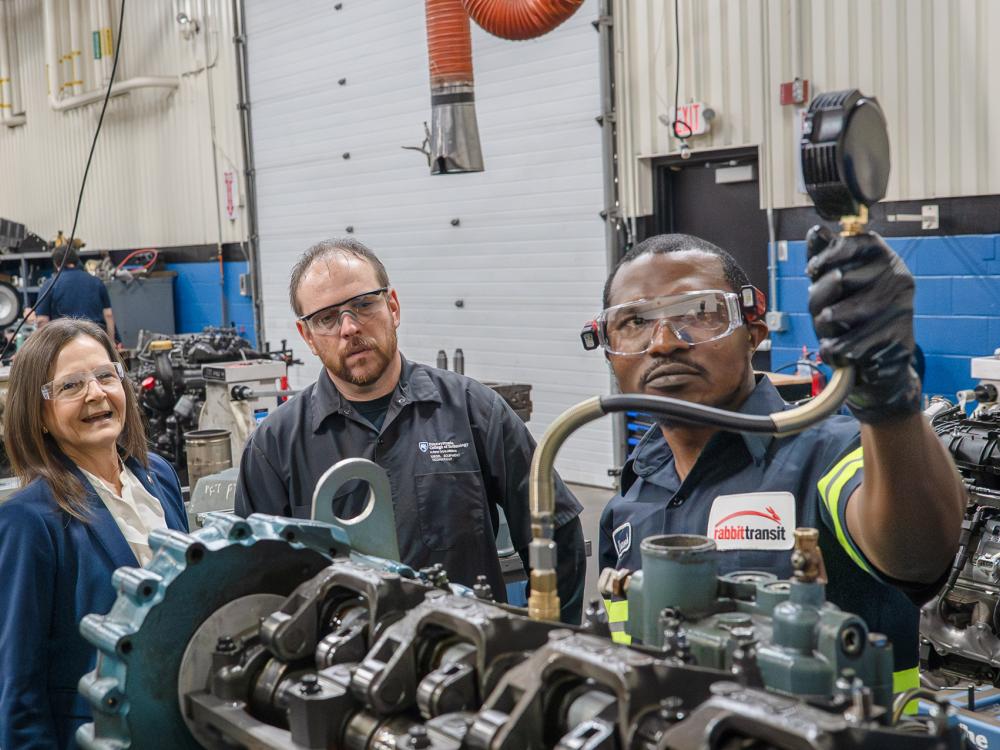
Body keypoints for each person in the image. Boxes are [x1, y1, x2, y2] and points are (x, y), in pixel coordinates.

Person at [592, 232, 965, 691]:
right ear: (609, 352)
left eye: (698, 312)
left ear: (754, 333)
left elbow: (917, 555)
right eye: (634, 321)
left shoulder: (831, 454)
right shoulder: (630, 500)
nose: (664, 342)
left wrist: (889, 404)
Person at [234, 238, 586, 623]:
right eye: (327, 318)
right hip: (339, 660)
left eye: (363, 304)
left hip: (465, 652)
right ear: (307, 337)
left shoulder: (475, 411)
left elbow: (557, 533)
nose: (349, 327)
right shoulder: (274, 448)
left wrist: (548, 643)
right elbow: (256, 586)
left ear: (393, 307)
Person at [0, 319, 188, 749]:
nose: (96, 394)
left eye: (105, 375)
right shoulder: (29, 523)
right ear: (38, 414)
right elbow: (18, 687)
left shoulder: (158, 477)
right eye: (70, 386)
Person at [35, 245, 117, 344]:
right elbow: (108, 314)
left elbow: (42, 320)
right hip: (96, 339)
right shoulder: (96, 282)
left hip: (65, 342)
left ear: (56, 263)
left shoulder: (50, 284)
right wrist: (111, 343)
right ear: (76, 260)